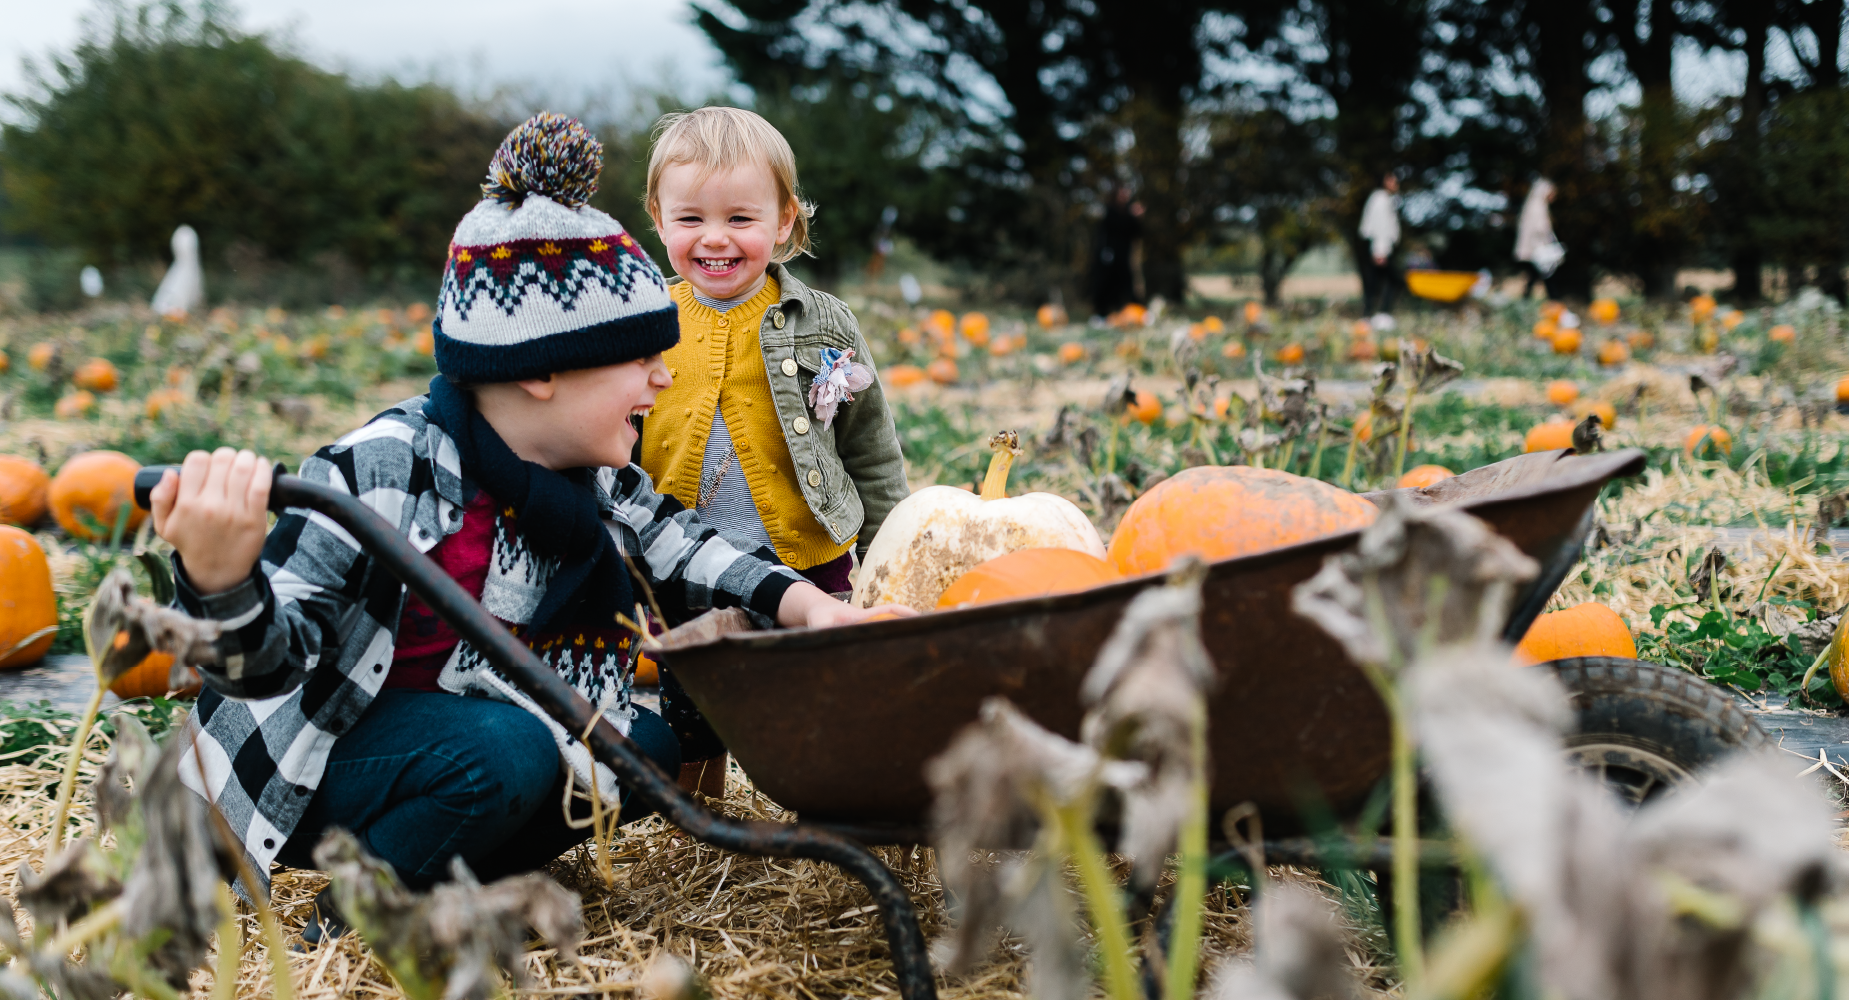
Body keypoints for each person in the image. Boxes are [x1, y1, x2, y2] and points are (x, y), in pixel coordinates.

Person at [150, 113, 911, 944]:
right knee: (504, 754)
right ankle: (356, 918)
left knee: (641, 747)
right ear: (543, 371)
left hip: (463, 727)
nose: (663, 378)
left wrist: (817, 610)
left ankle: (460, 869)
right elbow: (262, 669)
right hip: (322, 762)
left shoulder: (589, 478)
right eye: (641, 359)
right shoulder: (380, 469)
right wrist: (222, 580)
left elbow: (688, 546)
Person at [637, 106, 911, 797]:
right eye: (692, 218)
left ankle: (834, 807)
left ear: (785, 220)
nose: (715, 239)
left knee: (821, 699)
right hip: (684, 566)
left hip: (807, 557)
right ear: (658, 217)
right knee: (694, 709)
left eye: (741, 218)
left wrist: (888, 554)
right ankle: (701, 835)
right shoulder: (642, 322)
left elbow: (870, 451)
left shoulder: (824, 323)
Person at [1090, 187, 1144, 320]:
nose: (1124, 196)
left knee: (1127, 284)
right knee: (1105, 283)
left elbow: (1136, 233)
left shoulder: (1129, 212)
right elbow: (1112, 227)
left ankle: (1132, 312)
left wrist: (1137, 217)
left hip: (1123, 256)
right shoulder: (1111, 210)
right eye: (1122, 193)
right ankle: (1101, 313)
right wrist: (1131, 215)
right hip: (1108, 255)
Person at [1358, 172, 1403, 327]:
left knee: (1376, 280)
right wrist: (1380, 250)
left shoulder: (1384, 199)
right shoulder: (1380, 199)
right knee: (1391, 280)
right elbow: (1378, 226)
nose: (1396, 185)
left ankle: (1370, 315)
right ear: (1385, 181)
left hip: (1382, 247)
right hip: (1380, 248)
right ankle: (1379, 314)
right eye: (1393, 181)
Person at [1514, 178, 1562, 299]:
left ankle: (1526, 301)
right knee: (1547, 276)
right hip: (1539, 249)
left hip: (1536, 249)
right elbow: (1541, 230)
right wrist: (1549, 241)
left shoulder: (1533, 206)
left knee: (1535, 276)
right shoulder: (1538, 208)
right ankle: (1554, 302)